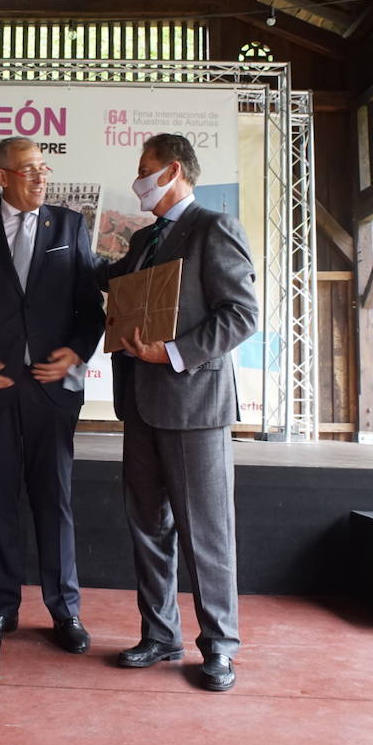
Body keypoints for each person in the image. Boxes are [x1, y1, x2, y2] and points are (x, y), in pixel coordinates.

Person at [101, 133, 258, 692]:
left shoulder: (214, 228)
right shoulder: (145, 240)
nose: (136, 180)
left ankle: (219, 648)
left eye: (144, 169)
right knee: (147, 527)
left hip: (194, 404)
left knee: (206, 535)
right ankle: (160, 634)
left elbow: (241, 314)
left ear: (172, 171)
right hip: (140, 406)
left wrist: (171, 353)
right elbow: (112, 288)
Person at [0, 137, 106, 653]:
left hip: (52, 390)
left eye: (44, 168)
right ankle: (1, 608)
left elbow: (90, 309)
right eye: (29, 170)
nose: (41, 177)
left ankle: (65, 612)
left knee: (54, 500)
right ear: (3, 176)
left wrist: (76, 354)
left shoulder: (70, 225)